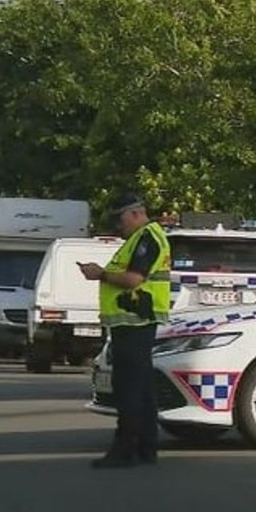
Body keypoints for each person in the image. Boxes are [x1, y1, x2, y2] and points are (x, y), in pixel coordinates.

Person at [80, 193, 172, 469]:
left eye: (120, 219)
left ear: (134, 213)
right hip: (133, 322)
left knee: (129, 388)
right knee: (141, 388)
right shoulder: (140, 238)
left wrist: (101, 274)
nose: (119, 226)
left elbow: (134, 279)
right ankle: (145, 446)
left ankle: (125, 449)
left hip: (135, 321)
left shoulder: (148, 238)